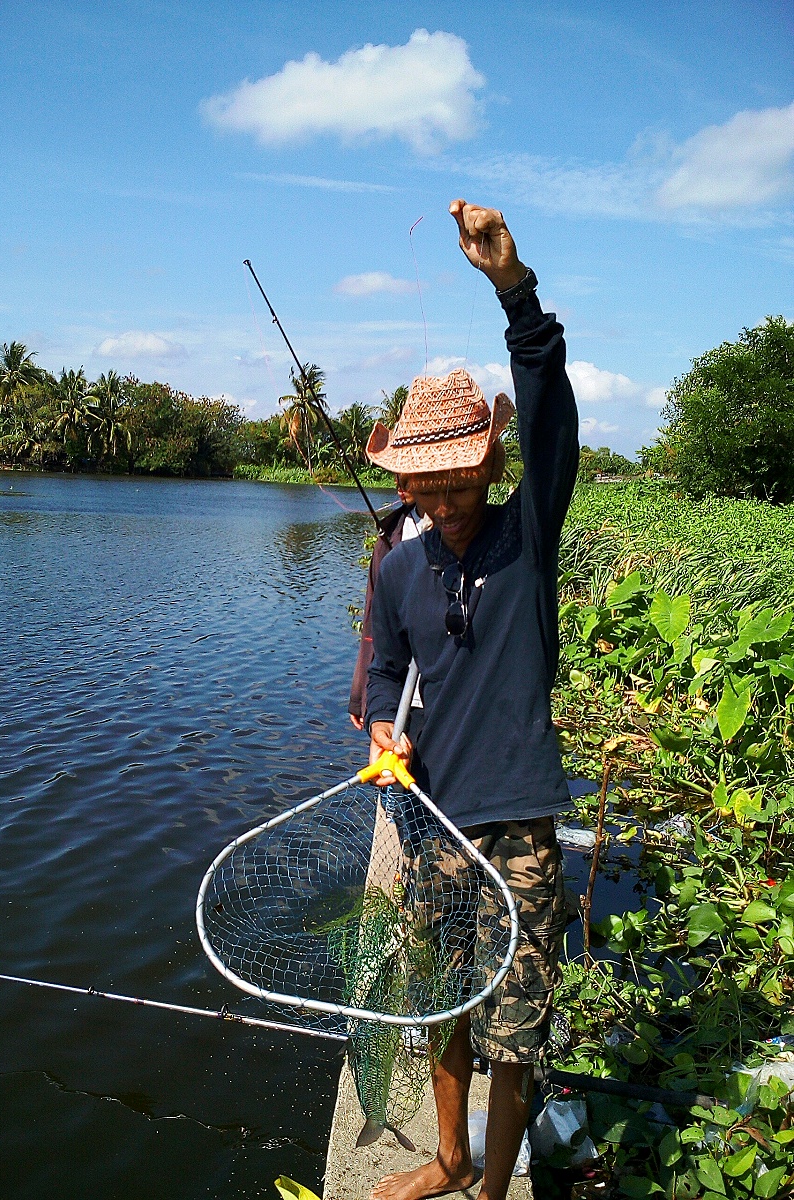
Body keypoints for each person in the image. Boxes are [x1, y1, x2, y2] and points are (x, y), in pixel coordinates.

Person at [363, 199, 579, 1200]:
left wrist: (512, 287)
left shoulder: (524, 539)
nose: (442, 501)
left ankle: (493, 1187)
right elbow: (379, 676)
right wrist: (378, 728)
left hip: (518, 828)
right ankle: (447, 1161)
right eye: (425, 485)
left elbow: (547, 407)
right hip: (431, 817)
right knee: (441, 1004)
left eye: (458, 481)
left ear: (489, 464)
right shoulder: (399, 568)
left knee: (515, 1023)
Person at [348, 478, 425, 731]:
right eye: (397, 474)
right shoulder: (390, 534)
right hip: (397, 697)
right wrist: (361, 695)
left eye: (409, 476)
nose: (400, 484)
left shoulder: (465, 533)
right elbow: (372, 621)